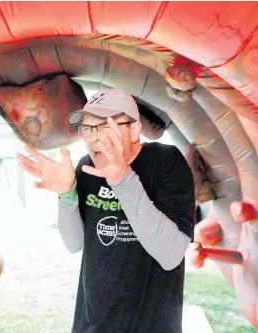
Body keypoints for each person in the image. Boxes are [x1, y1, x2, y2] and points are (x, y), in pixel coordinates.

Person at [17, 88, 195, 333]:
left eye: (104, 126)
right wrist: (66, 193)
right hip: (90, 324)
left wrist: (124, 181)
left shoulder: (165, 161)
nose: (93, 137)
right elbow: (75, 243)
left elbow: (170, 254)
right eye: (87, 128)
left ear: (134, 129)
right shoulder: (86, 167)